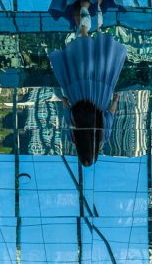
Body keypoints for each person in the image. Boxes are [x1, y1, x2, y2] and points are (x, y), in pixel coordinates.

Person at [50, 31, 126, 167]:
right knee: (81, 62)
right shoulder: (73, 137)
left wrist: (115, 100)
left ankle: (91, 28)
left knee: (99, 63)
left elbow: (111, 114)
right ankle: (82, 29)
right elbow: (68, 113)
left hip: (99, 94)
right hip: (78, 93)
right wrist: (65, 101)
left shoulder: (103, 136)